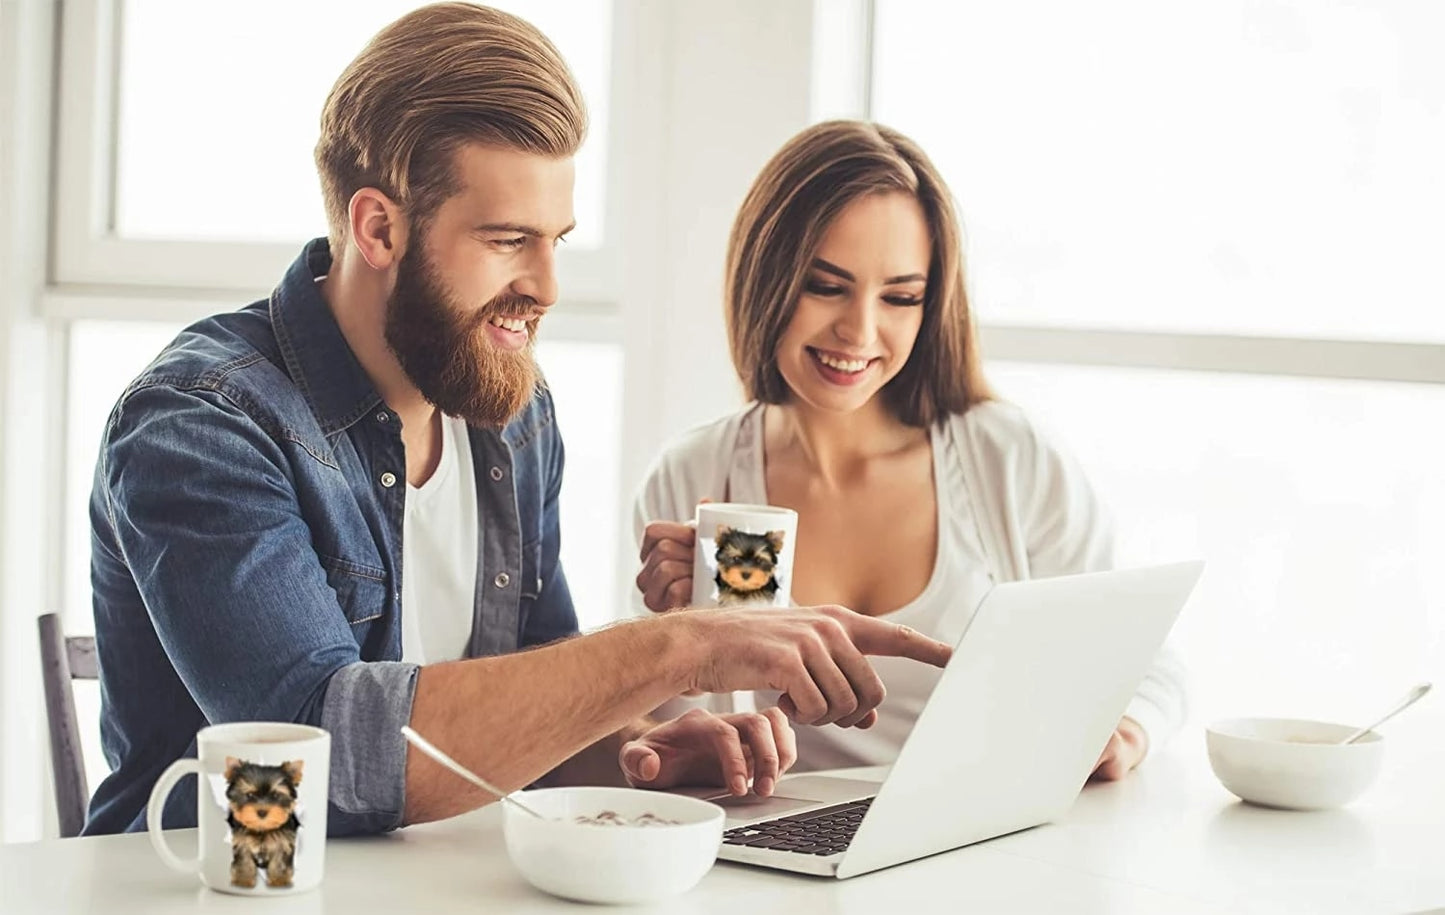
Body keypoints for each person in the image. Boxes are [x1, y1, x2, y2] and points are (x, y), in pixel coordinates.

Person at [84, 7, 953, 837]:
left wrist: (636, 752)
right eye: (507, 240)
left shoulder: (509, 411)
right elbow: (321, 759)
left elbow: (535, 718)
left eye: (556, 240)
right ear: (378, 226)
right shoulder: (200, 423)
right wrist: (681, 646)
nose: (546, 286)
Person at [634, 120, 1186, 778]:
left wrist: (1120, 733)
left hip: (977, 837)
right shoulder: (693, 474)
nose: (859, 330)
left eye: (900, 296)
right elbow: (674, 754)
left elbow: (1145, 661)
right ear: (766, 275)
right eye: (825, 285)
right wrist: (674, 646)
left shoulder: (1004, 457)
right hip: (778, 851)